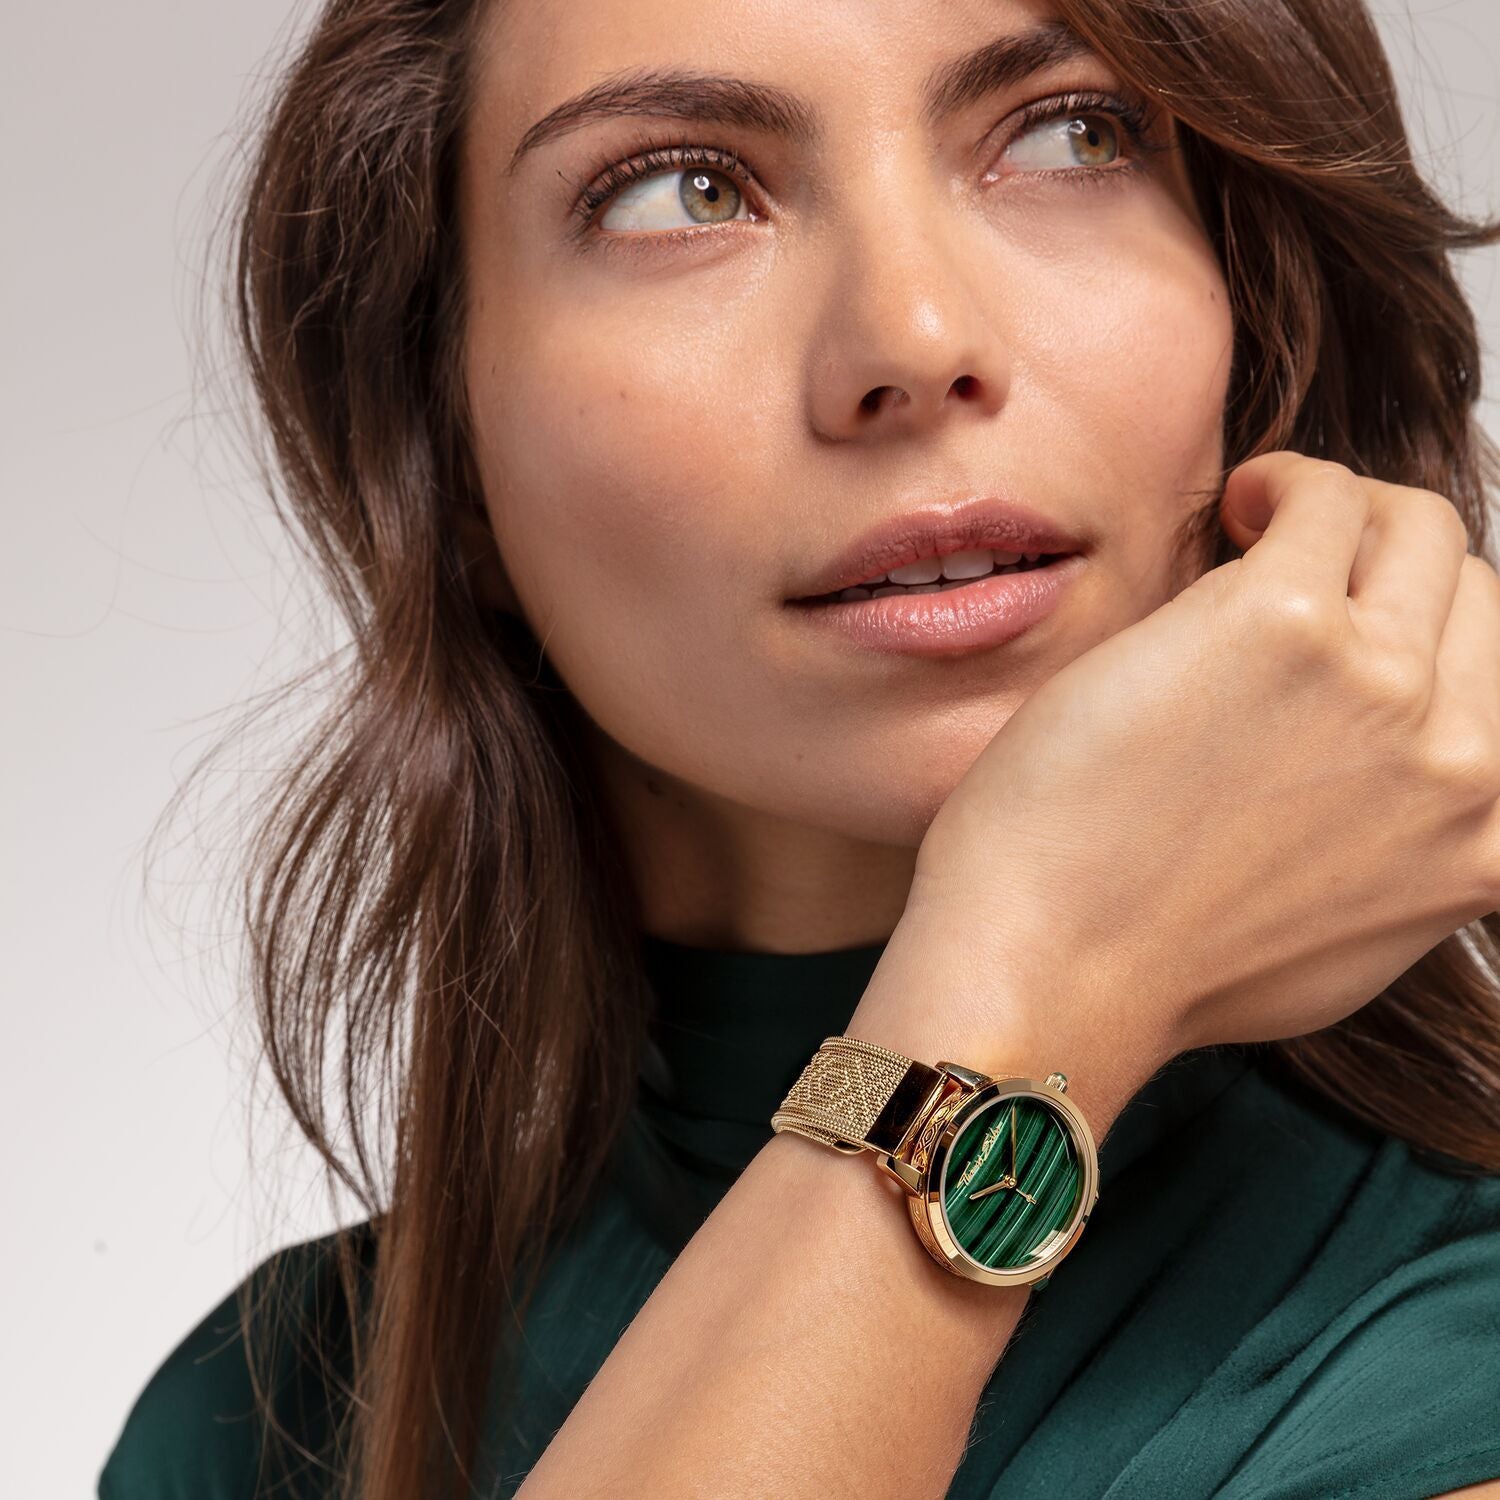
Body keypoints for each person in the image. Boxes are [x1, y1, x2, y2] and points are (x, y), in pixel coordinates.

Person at [99, 0, 1500, 1495]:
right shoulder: (263, 1419)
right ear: (445, 460)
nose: (915, 340)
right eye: (684, 191)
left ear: (1259, 319)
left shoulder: (1454, 1365)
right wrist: (1035, 980)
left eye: (1069, 136)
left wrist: (1039, 966)